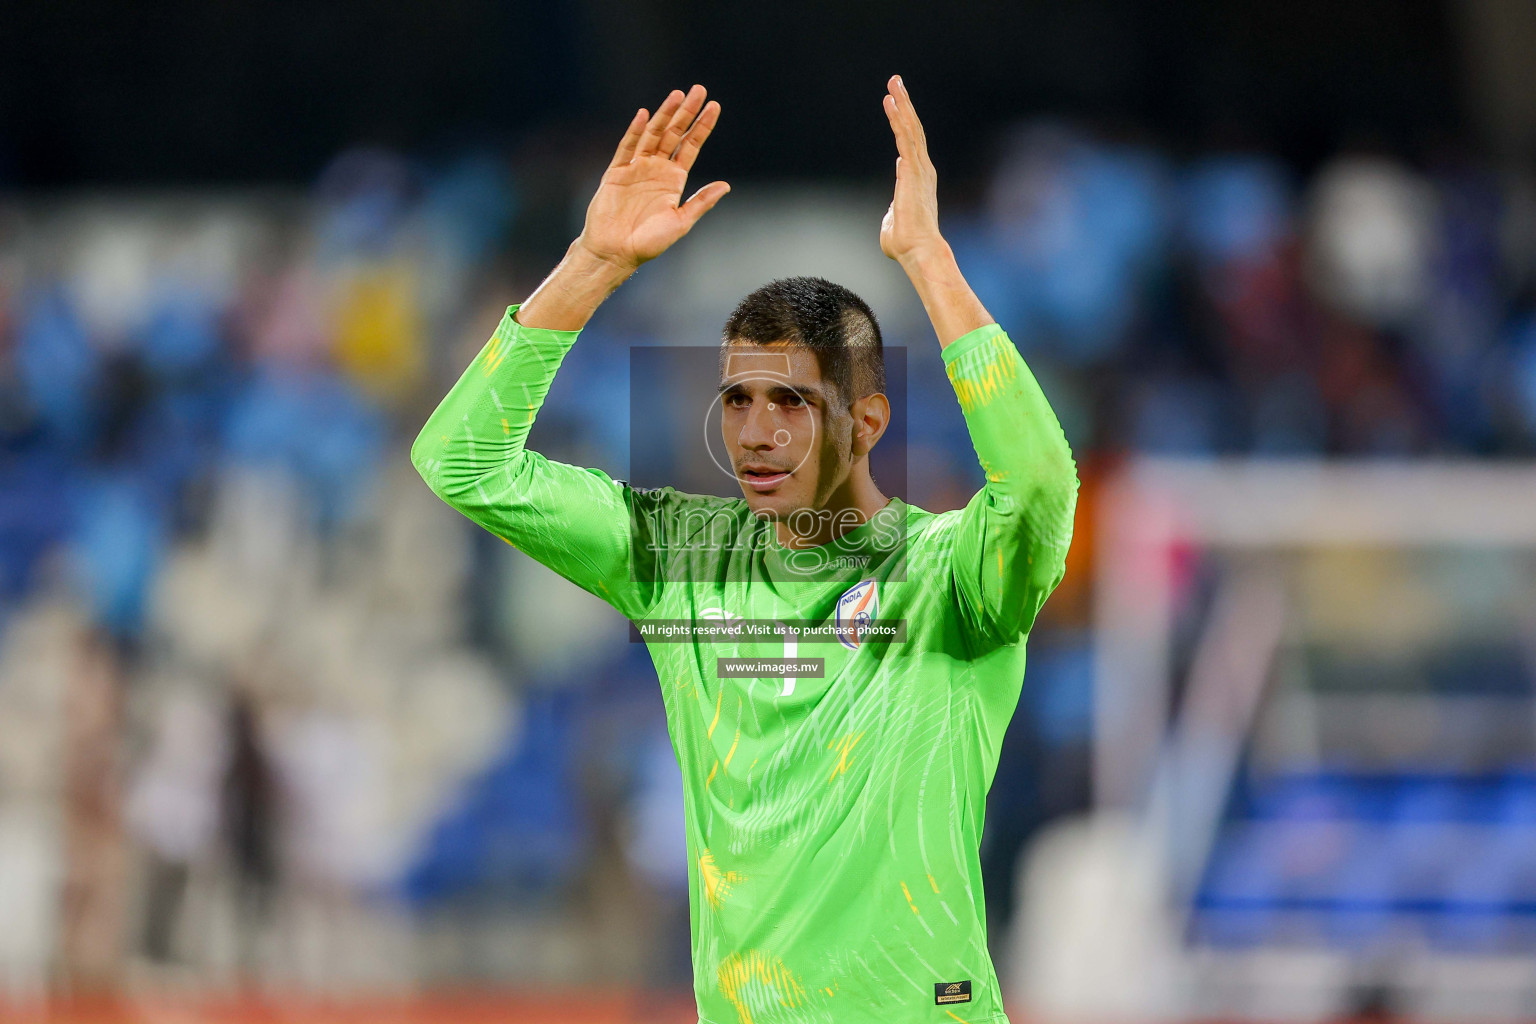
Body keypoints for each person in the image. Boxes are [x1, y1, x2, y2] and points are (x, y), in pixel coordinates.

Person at [412, 75, 1078, 1024]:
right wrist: (593, 264)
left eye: (793, 402)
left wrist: (929, 263)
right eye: (738, 400)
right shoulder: (682, 558)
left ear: (868, 420)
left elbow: (1044, 487)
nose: (756, 435)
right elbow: (462, 464)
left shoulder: (950, 577)